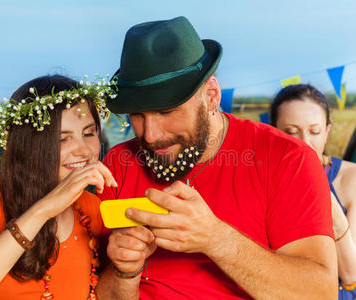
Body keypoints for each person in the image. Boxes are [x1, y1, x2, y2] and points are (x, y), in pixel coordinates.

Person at [95, 16, 338, 299]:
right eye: (137, 115)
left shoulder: (289, 160)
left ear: (211, 95)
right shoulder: (117, 165)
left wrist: (216, 239)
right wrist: (125, 270)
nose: (150, 135)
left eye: (166, 111)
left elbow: (320, 293)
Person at [0, 75, 117, 299]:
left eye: (89, 133)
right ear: (30, 146)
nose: (84, 150)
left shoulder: (92, 208)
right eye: (62, 139)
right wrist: (44, 209)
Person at [270, 84, 356, 299]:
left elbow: (350, 273)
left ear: (327, 132)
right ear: (273, 132)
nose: (304, 143)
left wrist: (318, 188)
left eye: (314, 132)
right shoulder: (267, 183)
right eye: (291, 132)